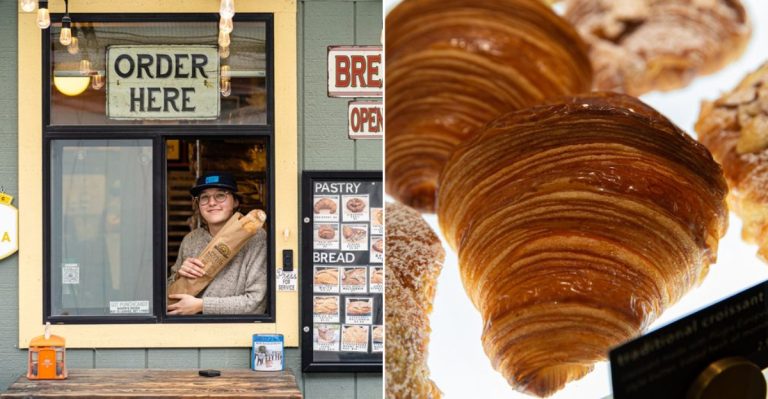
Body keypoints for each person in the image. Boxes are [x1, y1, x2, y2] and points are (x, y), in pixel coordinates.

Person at [167, 172, 267, 315]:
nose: (212, 203)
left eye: (220, 195)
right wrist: (179, 277)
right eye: (204, 197)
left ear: (236, 201)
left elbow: (256, 303)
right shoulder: (191, 240)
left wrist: (201, 306)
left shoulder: (254, 237)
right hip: (190, 329)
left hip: (235, 330)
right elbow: (168, 296)